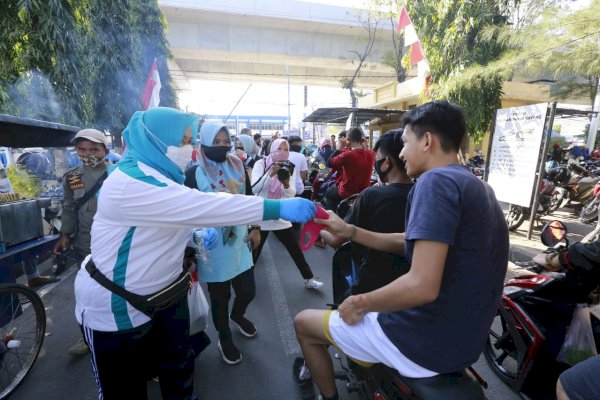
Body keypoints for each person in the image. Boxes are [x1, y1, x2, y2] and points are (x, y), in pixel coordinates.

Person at [74, 107, 316, 400]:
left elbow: (167, 219)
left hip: (167, 297)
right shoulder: (130, 182)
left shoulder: (162, 173)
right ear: (157, 140)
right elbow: (206, 205)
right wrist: (276, 208)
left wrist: (193, 235)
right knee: (124, 391)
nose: (189, 148)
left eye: (191, 140)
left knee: (179, 375)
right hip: (118, 309)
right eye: (185, 140)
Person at [293, 101, 509, 400]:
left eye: (406, 142)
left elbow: (421, 285)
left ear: (427, 140)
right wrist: (350, 231)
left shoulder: (435, 182)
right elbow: (410, 239)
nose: (403, 153)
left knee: (304, 322)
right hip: (463, 343)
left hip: (422, 341)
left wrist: (360, 302)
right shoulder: (476, 186)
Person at [187, 122, 261, 365]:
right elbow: (186, 211)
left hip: (239, 238)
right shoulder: (192, 172)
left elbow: (249, 198)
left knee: (248, 290)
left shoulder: (238, 165)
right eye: (216, 142)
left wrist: (256, 227)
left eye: (225, 141)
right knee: (219, 296)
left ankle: (237, 315)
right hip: (210, 244)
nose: (222, 146)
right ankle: (224, 336)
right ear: (204, 142)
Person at [320, 129, 413, 293]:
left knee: (303, 319)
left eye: (378, 159)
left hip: (373, 284)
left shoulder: (372, 196)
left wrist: (318, 227)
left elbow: (336, 240)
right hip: (410, 284)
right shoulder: (425, 194)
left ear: (386, 162)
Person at [52, 128, 110, 356]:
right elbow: (69, 207)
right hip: (84, 245)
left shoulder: (119, 173)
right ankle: (87, 337)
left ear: (105, 150)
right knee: (88, 293)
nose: (87, 154)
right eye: (82, 149)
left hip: (115, 244)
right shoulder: (72, 177)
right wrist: (65, 234)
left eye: (94, 149)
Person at [251, 139, 323, 289]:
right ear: (272, 149)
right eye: (280, 148)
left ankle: (308, 278)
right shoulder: (261, 164)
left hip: (280, 213)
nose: (283, 152)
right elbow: (255, 188)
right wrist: (269, 175)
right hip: (262, 214)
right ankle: (244, 282)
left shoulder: (290, 166)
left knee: (294, 249)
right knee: (253, 253)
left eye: (286, 149)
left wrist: (286, 184)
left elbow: (291, 194)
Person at [324, 127, 375, 212]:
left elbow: (329, 163)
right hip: (363, 192)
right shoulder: (371, 153)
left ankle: (332, 219)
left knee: (329, 193)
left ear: (348, 140)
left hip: (346, 192)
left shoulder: (347, 155)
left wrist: (340, 147)